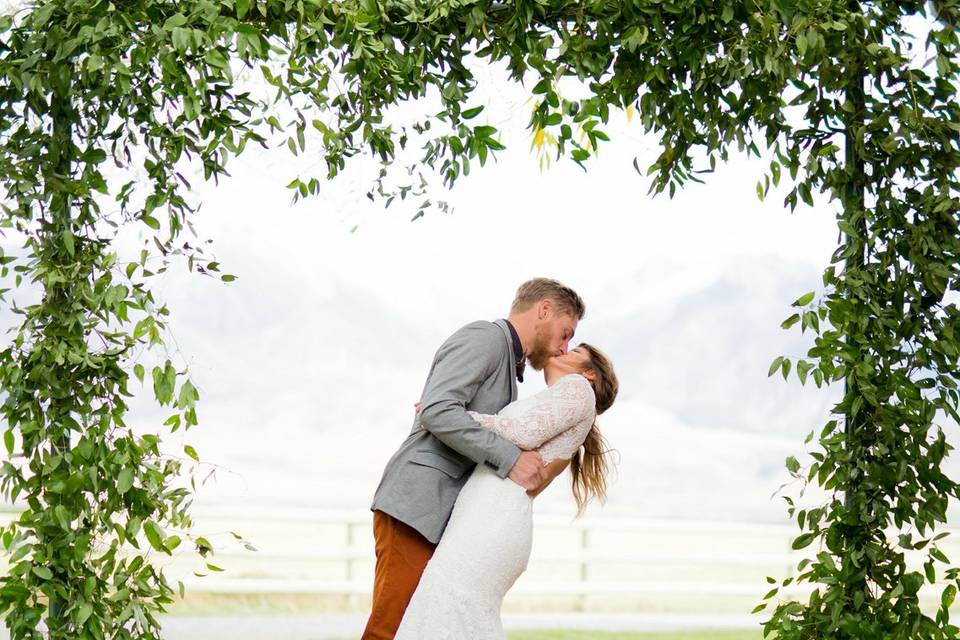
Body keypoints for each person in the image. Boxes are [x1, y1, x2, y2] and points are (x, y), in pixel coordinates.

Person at [361, 278, 586, 640]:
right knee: (392, 629)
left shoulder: (509, 368)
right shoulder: (485, 338)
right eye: (564, 333)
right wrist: (510, 459)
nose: (564, 347)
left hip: (442, 513)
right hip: (419, 502)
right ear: (544, 309)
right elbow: (437, 411)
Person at [394, 343, 618, 639]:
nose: (563, 349)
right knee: (449, 611)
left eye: (574, 349)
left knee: (448, 608)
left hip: (493, 518)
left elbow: (521, 432)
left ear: (589, 373)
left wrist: (447, 413)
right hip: (486, 514)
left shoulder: (578, 389)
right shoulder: (562, 402)